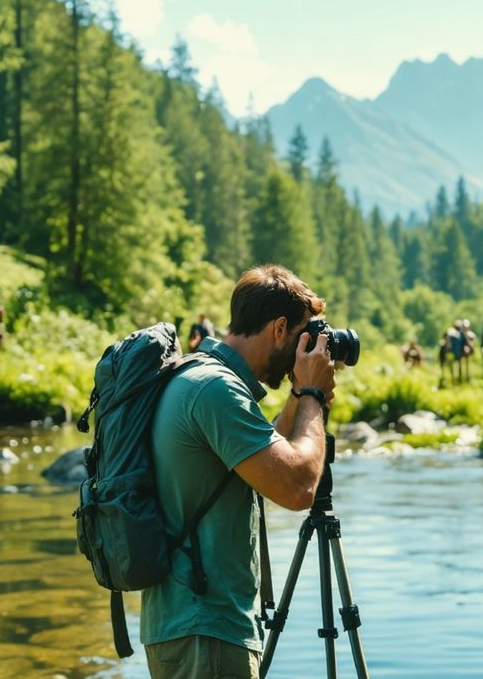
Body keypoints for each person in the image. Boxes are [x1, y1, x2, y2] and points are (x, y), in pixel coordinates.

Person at [143, 264, 335, 679]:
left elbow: (267, 459)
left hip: (192, 625)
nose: (303, 349)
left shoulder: (199, 376)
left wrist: (301, 395)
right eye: (303, 335)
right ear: (280, 329)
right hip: (205, 628)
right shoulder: (216, 390)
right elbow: (298, 486)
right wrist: (314, 398)